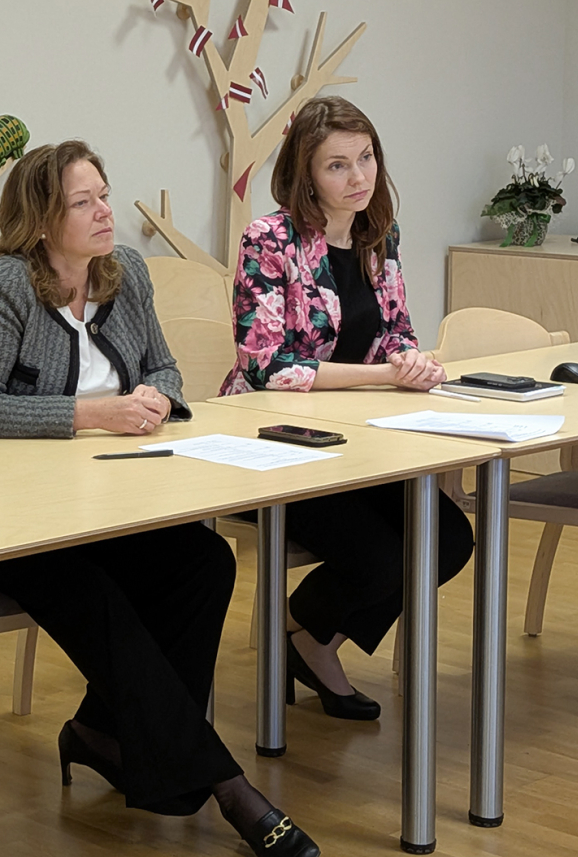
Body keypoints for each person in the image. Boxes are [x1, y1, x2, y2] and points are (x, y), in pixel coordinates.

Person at [0, 140, 321, 857]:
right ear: (41, 221)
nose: (105, 212)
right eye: (83, 203)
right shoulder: (4, 285)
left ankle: (101, 732)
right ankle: (227, 786)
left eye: (104, 195)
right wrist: (91, 414)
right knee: (95, 593)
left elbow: (166, 368)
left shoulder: (126, 273)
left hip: (103, 505)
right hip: (1, 519)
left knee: (204, 563)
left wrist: (156, 398)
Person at [220, 96, 474, 721]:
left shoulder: (378, 234)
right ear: (305, 174)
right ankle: (307, 637)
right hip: (271, 448)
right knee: (381, 557)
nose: (359, 177)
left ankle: (307, 634)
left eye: (366, 158)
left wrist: (412, 363)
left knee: (448, 538)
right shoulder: (269, 240)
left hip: (355, 441)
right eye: (338, 165)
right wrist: (383, 374)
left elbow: (395, 332)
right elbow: (268, 366)